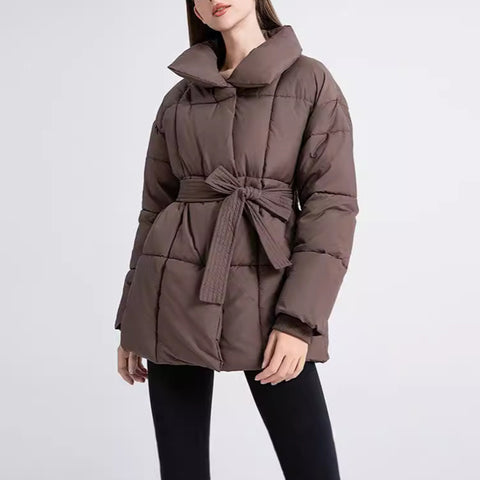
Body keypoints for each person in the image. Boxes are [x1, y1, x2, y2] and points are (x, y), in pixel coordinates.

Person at [114, 1, 359, 478]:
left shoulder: (309, 81)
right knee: (181, 470)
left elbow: (331, 207)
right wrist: (132, 318)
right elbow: (153, 210)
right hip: (172, 295)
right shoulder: (178, 98)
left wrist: (298, 321)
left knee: (313, 468)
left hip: (268, 294)